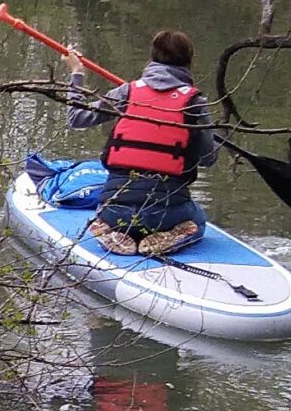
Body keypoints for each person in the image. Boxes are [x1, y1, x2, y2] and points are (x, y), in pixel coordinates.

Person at [64, 27, 217, 256]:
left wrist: (76, 73)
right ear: (188, 62)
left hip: (114, 209)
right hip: (166, 214)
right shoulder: (195, 103)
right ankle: (167, 236)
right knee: (199, 220)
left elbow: (76, 118)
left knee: (111, 210)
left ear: (152, 58)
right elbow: (208, 159)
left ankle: (109, 229)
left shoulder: (126, 92)